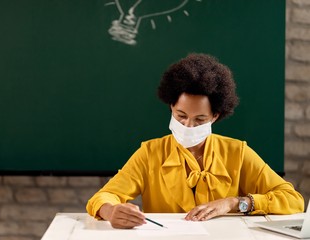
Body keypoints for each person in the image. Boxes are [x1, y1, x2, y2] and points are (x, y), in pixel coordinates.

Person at [86, 53, 304, 229]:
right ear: (171, 106)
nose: (188, 126)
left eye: (200, 119)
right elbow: (105, 195)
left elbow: (293, 199)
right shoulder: (150, 153)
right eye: (181, 116)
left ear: (215, 116)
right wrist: (111, 211)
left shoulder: (237, 152)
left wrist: (234, 203)